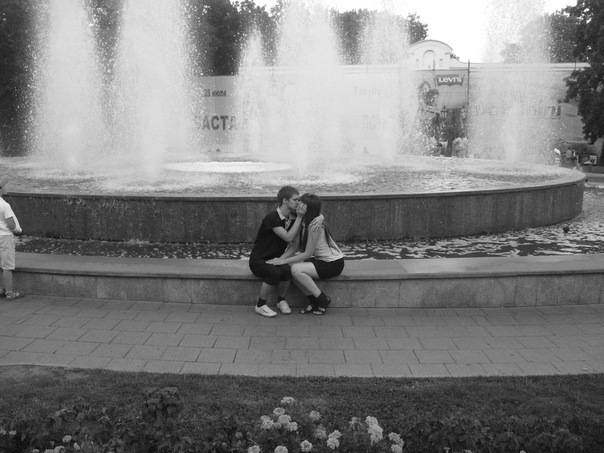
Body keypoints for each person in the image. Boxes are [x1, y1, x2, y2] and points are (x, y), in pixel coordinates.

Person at [267, 193, 344, 315]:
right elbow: (296, 245)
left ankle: (322, 299)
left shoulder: (314, 225)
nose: (298, 204)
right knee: (290, 267)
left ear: (306, 208)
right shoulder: (304, 220)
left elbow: (308, 253)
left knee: (296, 269)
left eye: (301, 203)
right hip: (321, 260)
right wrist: (281, 258)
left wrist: (283, 261)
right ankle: (313, 301)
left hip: (332, 264)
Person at [249, 186, 308, 318]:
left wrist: (282, 258)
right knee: (274, 272)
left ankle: (281, 300)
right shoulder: (272, 218)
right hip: (258, 260)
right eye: (295, 200)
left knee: (286, 270)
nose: (298, 203)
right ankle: (260, 305)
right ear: (285, 200)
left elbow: (295, 244)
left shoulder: (293, 218)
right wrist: (300, 218)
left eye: (299, 199)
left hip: (276, 258)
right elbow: (288, 237)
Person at [0, 176, 23, 301]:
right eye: (4, 186)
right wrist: (17, 230)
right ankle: (9, 292)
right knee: (7, 266)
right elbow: (11, 225)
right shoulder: (5, 205)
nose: (5, 188)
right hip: (5, 237)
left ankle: (0, 289)